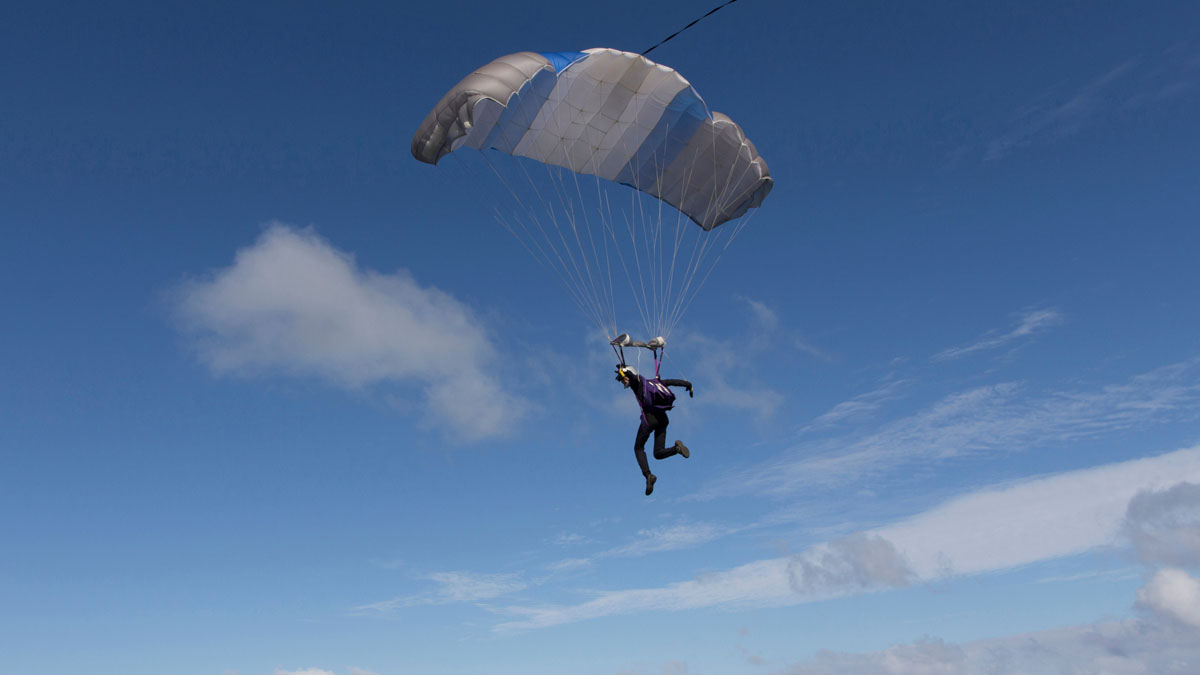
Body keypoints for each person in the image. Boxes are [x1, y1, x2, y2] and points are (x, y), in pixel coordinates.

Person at [615, 364, 694, 495]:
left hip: (650, 419)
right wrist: (688, 385)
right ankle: (677, 449)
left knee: (638, 448)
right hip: (663, 419)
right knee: (658, 453)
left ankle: (648, 476)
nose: (624, 382)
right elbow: (673, 382)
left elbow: (632, 377)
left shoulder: (638, 382)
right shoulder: (656, 383)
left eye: (623, 379)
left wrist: (624, 371)